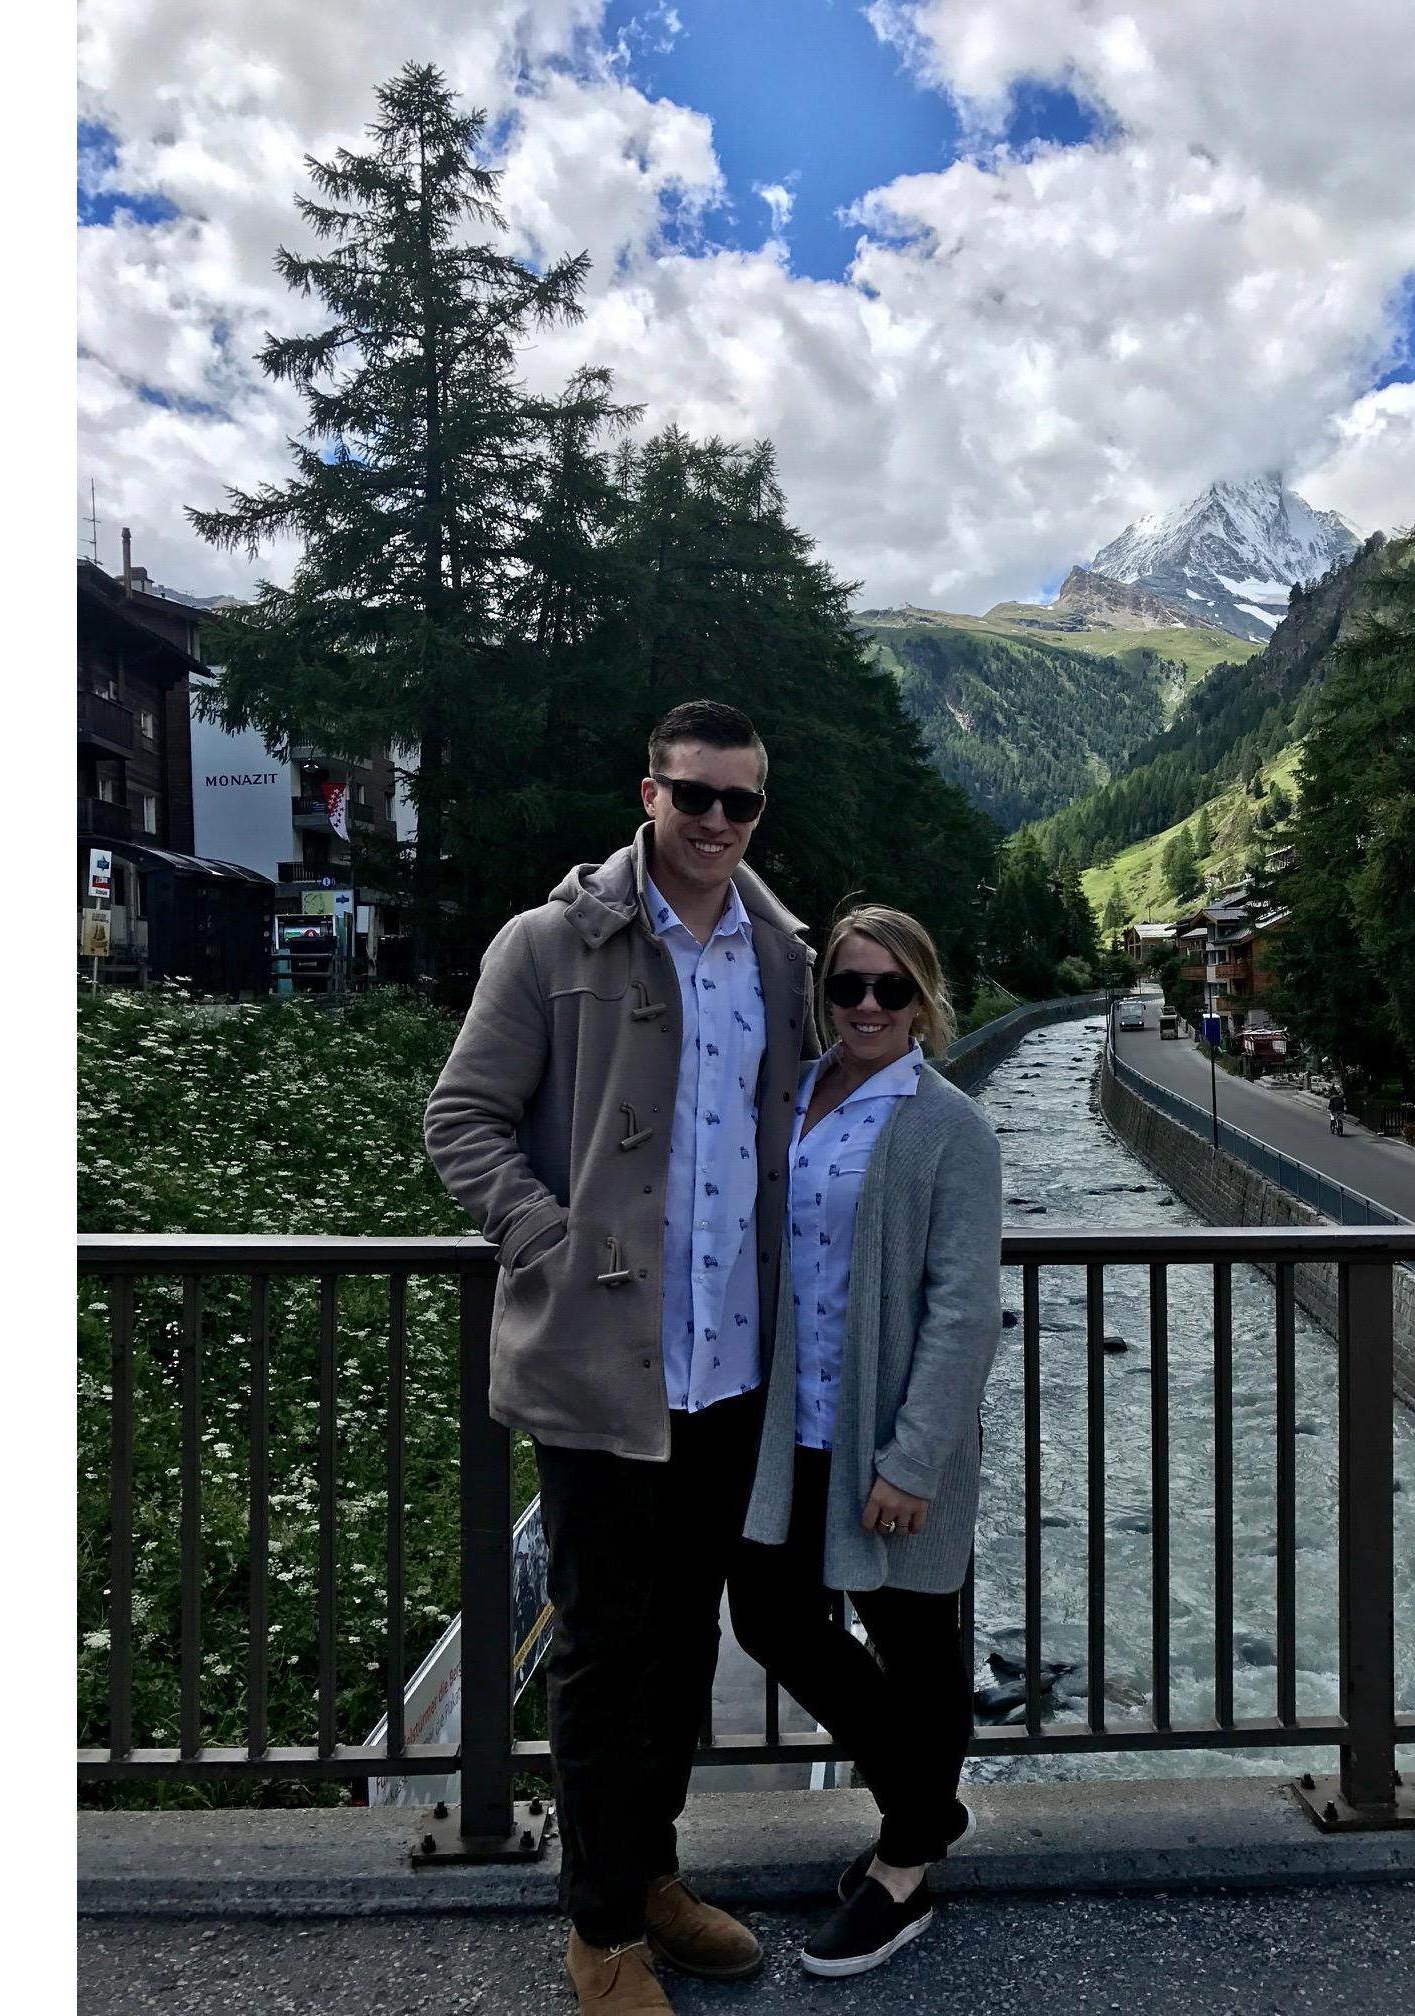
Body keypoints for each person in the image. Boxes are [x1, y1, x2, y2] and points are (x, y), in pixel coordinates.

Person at [425, 700, 816, 2014]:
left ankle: (648, 1872)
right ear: (646, 792)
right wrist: (550, 1241)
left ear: (760, 812)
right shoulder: (549, 945)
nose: (714, 821)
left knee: (685, 1646)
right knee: (602, 1647)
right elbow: (463, 1118)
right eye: (692, 795)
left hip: (729, 1362)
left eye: (738, 803)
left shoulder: (781, 958)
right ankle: (599, 1928)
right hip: (600, 1367)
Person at [731, 905, 1004, 1980]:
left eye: (894, 989)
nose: (870, 1007)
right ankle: (930, 1807)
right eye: (849, 985)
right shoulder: (792, 1094)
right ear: (824, 994)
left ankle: (905, 1868)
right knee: (768, 1614)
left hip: (888, 1438)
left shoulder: (951, 1129)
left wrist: (911, 1458)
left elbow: (964, 1310)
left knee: (915, 1642)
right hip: (785, 1428)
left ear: (926, 999)